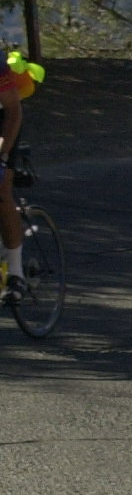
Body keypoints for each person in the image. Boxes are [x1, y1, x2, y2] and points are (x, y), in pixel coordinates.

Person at [1, 43, 27, 304]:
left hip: (5, 120)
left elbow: (13, 111)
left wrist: (3, 153)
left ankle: (16, 274)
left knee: (1, 189)